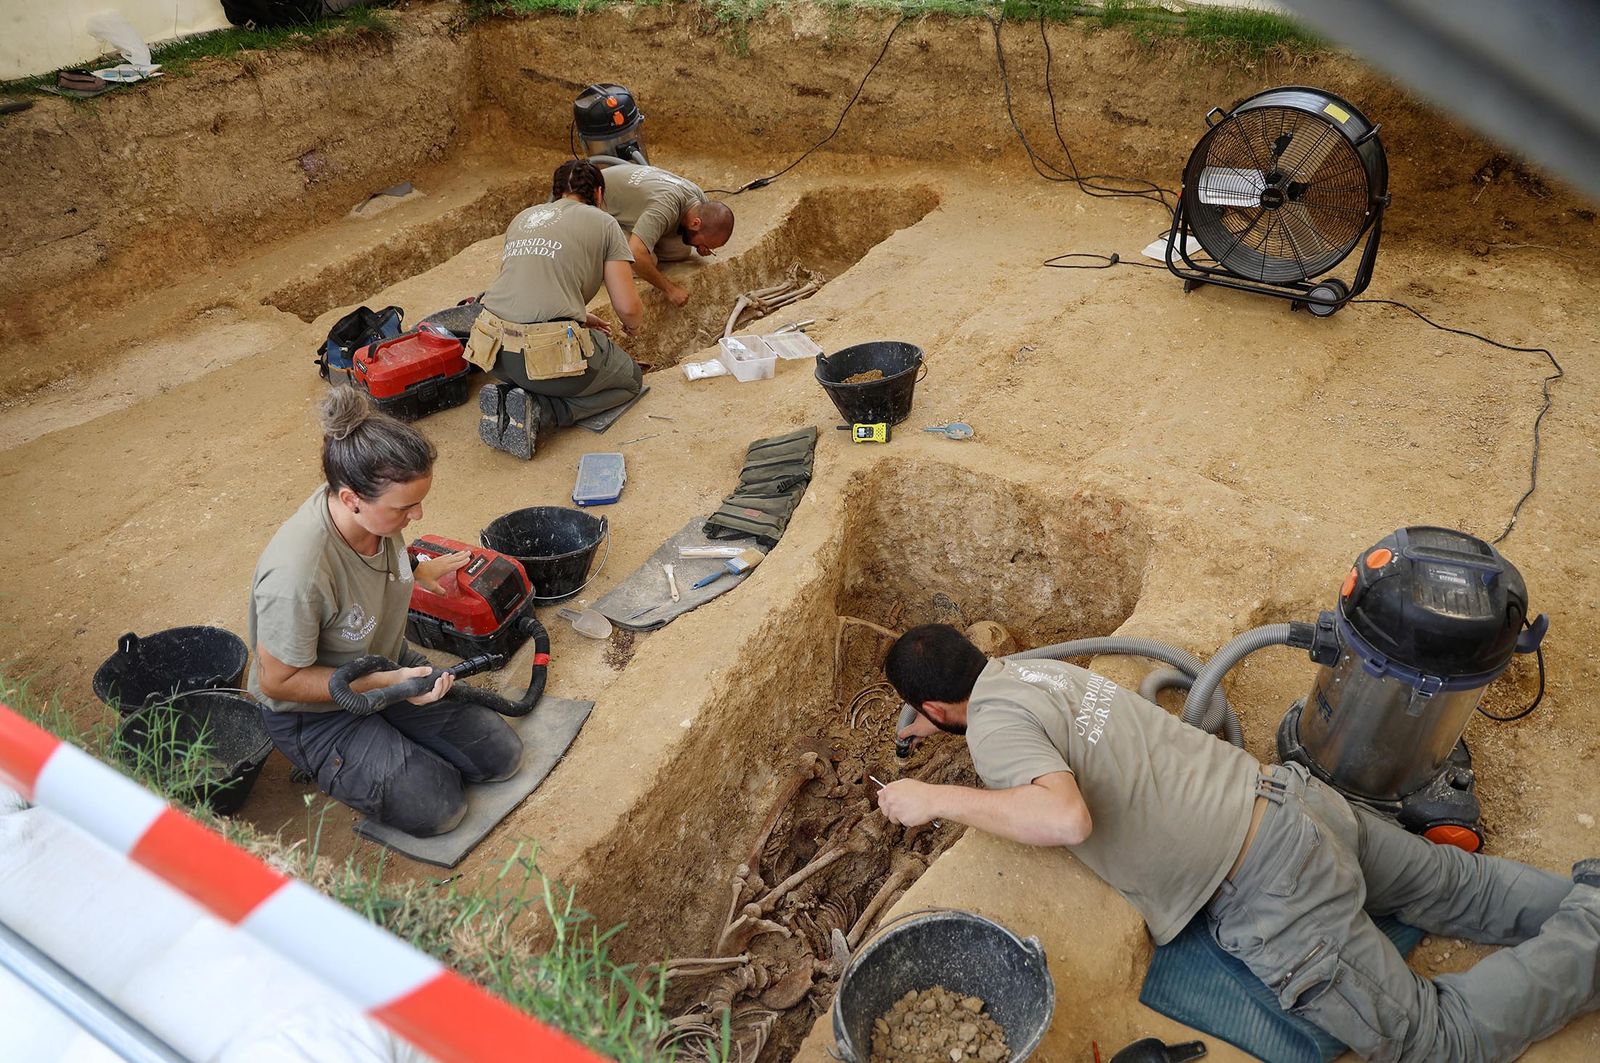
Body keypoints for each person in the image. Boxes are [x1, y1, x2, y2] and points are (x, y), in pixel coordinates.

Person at [878, 623, 1600, 1063]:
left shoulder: (990, 726)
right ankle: (1589, 892)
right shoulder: (1037, 671)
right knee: (1452, 884)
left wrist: (930, 797)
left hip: (1268, 882)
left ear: (937, 709)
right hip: (1290, 801)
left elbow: (1064, 818)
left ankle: (1593, 929)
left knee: (1434, 1042)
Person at [247, 388, 523, 836]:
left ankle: (395, 741)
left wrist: (417, 568)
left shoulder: (373, 515)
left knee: (502, 756)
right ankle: (351, 761)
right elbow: (277, 680)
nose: (418, 516)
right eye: (404, 507)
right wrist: (387, 686)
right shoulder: (297, 575)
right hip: (315, 715)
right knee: (439, 806)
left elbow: (384, 557)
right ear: (351, 498)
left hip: (386, 667)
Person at [468, 160, 645, 460]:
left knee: (535, 368)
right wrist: (634, 325)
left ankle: (514, 394)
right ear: (599, 193)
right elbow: (627, 308)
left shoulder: (523, 217)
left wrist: (579, 314)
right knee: (630, 381)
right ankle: (542, 410)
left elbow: (525, 284)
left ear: (556, 191)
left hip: (492, 351)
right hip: (542, 358)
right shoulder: (604, 223)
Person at [598, 162, 735, 307]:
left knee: (680, 250)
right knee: (645, 259)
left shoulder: (698, 199)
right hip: (591, 213)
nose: (702, 248)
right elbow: (636, 254)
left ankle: (639, 239)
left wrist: (699, 245)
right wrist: (670, 289)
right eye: (704, 244)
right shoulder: (664, 207)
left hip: (627, 205)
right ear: (695, 223)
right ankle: (595, 263)